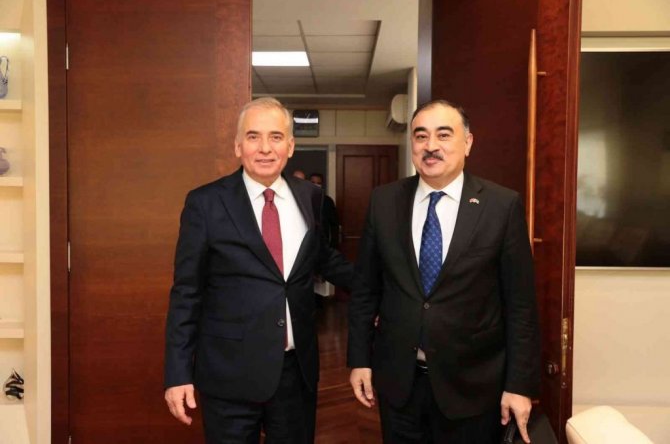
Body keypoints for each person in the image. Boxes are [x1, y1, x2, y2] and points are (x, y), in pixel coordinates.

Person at [347, 99, 540, 444]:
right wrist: (359, 360)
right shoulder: (383, 202)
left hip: (473, 387)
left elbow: (521, 306)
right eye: (421, 136)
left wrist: (519, 385)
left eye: (444, 135)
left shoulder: (501, 206)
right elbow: (365, 291)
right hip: (399, 384)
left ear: (467, 143)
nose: (430, 146)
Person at [164, 97, 353, 443]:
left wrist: (384, 286)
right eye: (253, 137)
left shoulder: (310, 196)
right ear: (238, 146)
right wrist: (178, 373)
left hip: (295, 373)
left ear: (290, 146)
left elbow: (322, 258)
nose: (265, 148)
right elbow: (186, 292)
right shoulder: (205, 203)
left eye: (275, 137)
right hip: (228, 374)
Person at [309, 173, 340, 249]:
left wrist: (333, 245)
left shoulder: (328, 201)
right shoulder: (303, 199)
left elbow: (334, 225)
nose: (316, 185)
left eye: (318, 183)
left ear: (322, 185)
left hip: (323, 243)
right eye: (313, 182)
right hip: (306, 243)